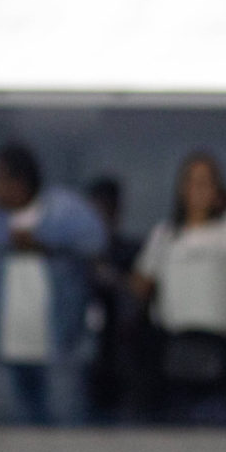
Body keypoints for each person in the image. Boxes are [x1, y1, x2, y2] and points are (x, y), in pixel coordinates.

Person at [0, 143, 107, 426]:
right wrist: (6, 239)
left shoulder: (62, 208)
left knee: (66, 437)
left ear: (19, 181)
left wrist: (42, 241)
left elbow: (94, 240)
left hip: (61, 348)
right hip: (1, 350)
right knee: (9, 443)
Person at [132, 151, 226, 426]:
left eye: (206, 182)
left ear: (218, 188)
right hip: (175, 355)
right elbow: (140, 282)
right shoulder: (166, 235)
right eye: (192, 181)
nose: (198, 189)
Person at [84, 176, 147, 424]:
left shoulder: (129, 251)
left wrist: (115, 279)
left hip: (122, 352)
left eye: (106, 210)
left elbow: (139, 291)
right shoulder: (77, 256)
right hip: (85, 353)